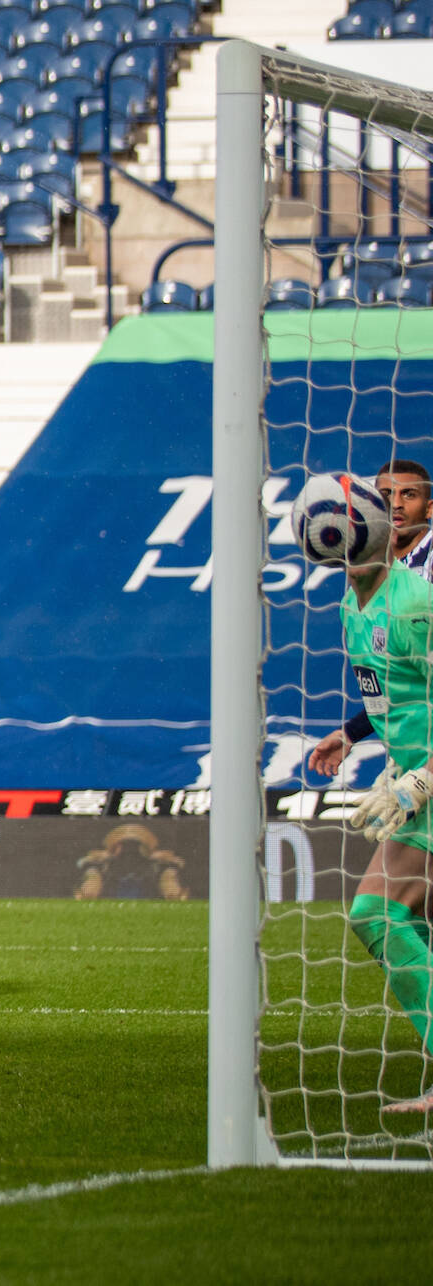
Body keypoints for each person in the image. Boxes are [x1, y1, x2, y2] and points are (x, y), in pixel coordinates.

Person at [320, 513, 433, 1114]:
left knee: (376, 914)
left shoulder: (417, 602)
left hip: (430, 785)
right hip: (415, 782)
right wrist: (356, 737)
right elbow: (394, 696)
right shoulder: (352, 607)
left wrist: (423, 775)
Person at [309, 461, 433, 781]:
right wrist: (351, 733)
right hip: (410, 761)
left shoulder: (419, 594)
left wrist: (425, 778)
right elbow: (397, 689)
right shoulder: (358, 597)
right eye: (386, 496)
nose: (396, 504)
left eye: (408, 495)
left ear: (429, 508)